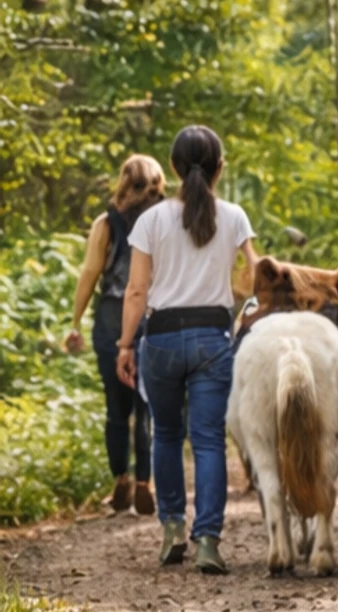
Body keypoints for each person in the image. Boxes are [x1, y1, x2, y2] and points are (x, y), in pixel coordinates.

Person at [116, 125, 258, 575]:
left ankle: (173, 529)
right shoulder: (234, 216)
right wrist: (242, 304)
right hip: (213, 339)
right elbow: (256, 275)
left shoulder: (150, 220)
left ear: (174, 168)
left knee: (165, 433)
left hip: (160, 337)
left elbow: (137, 291)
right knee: (209, 440)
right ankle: (208, 542)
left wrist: (124, 344)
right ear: (220, 168)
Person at [65, 154, 166, 516]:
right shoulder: (166, 219)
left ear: (123, 180)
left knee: (115, 408)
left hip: (110, 318)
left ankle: (120, 479)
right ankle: (144, 483)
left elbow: (90, 274)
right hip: (153, 317)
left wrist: (75, 323)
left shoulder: (105, 224)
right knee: (147, 408)